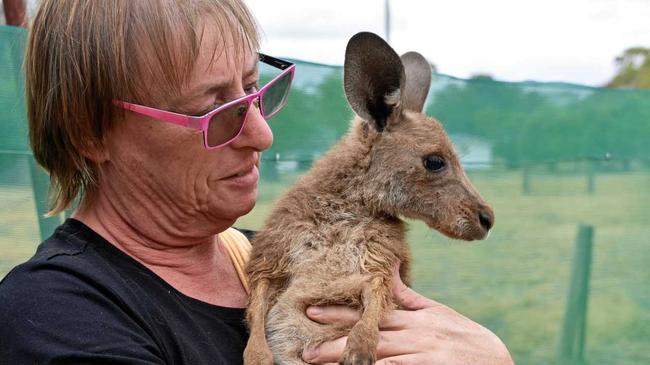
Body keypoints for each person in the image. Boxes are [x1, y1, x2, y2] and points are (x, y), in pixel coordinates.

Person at [0, 1, 514, 364]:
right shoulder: (56, 316)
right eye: (214, 110)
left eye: (253, 89)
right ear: (90, 132)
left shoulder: (272, 256)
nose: (262, 135)